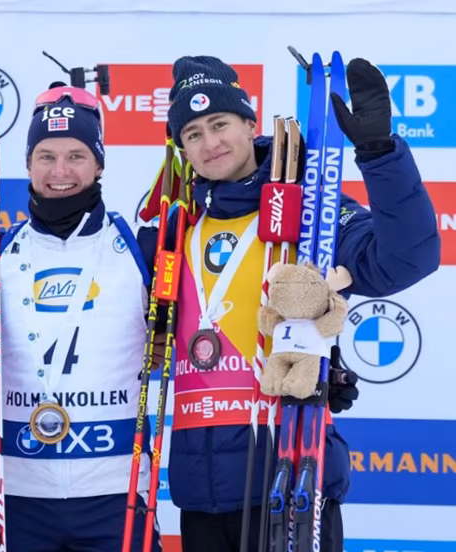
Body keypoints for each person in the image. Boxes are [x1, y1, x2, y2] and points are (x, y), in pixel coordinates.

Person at [147, 55, 440, 552]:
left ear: (249, 124)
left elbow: (407, 259)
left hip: (291, 475)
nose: (210, 142)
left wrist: (379, 155)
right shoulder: (176, 231)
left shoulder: (309, 212)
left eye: (219, 124)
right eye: (193, 133)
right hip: (199, 492)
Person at [0, 82, 163, 551]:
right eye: (45, 156)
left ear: (99, 163)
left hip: (115, 490)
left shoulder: (140, 249)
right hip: (20, 492)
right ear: (28, 164)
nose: (60, 171)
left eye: (76, 155)